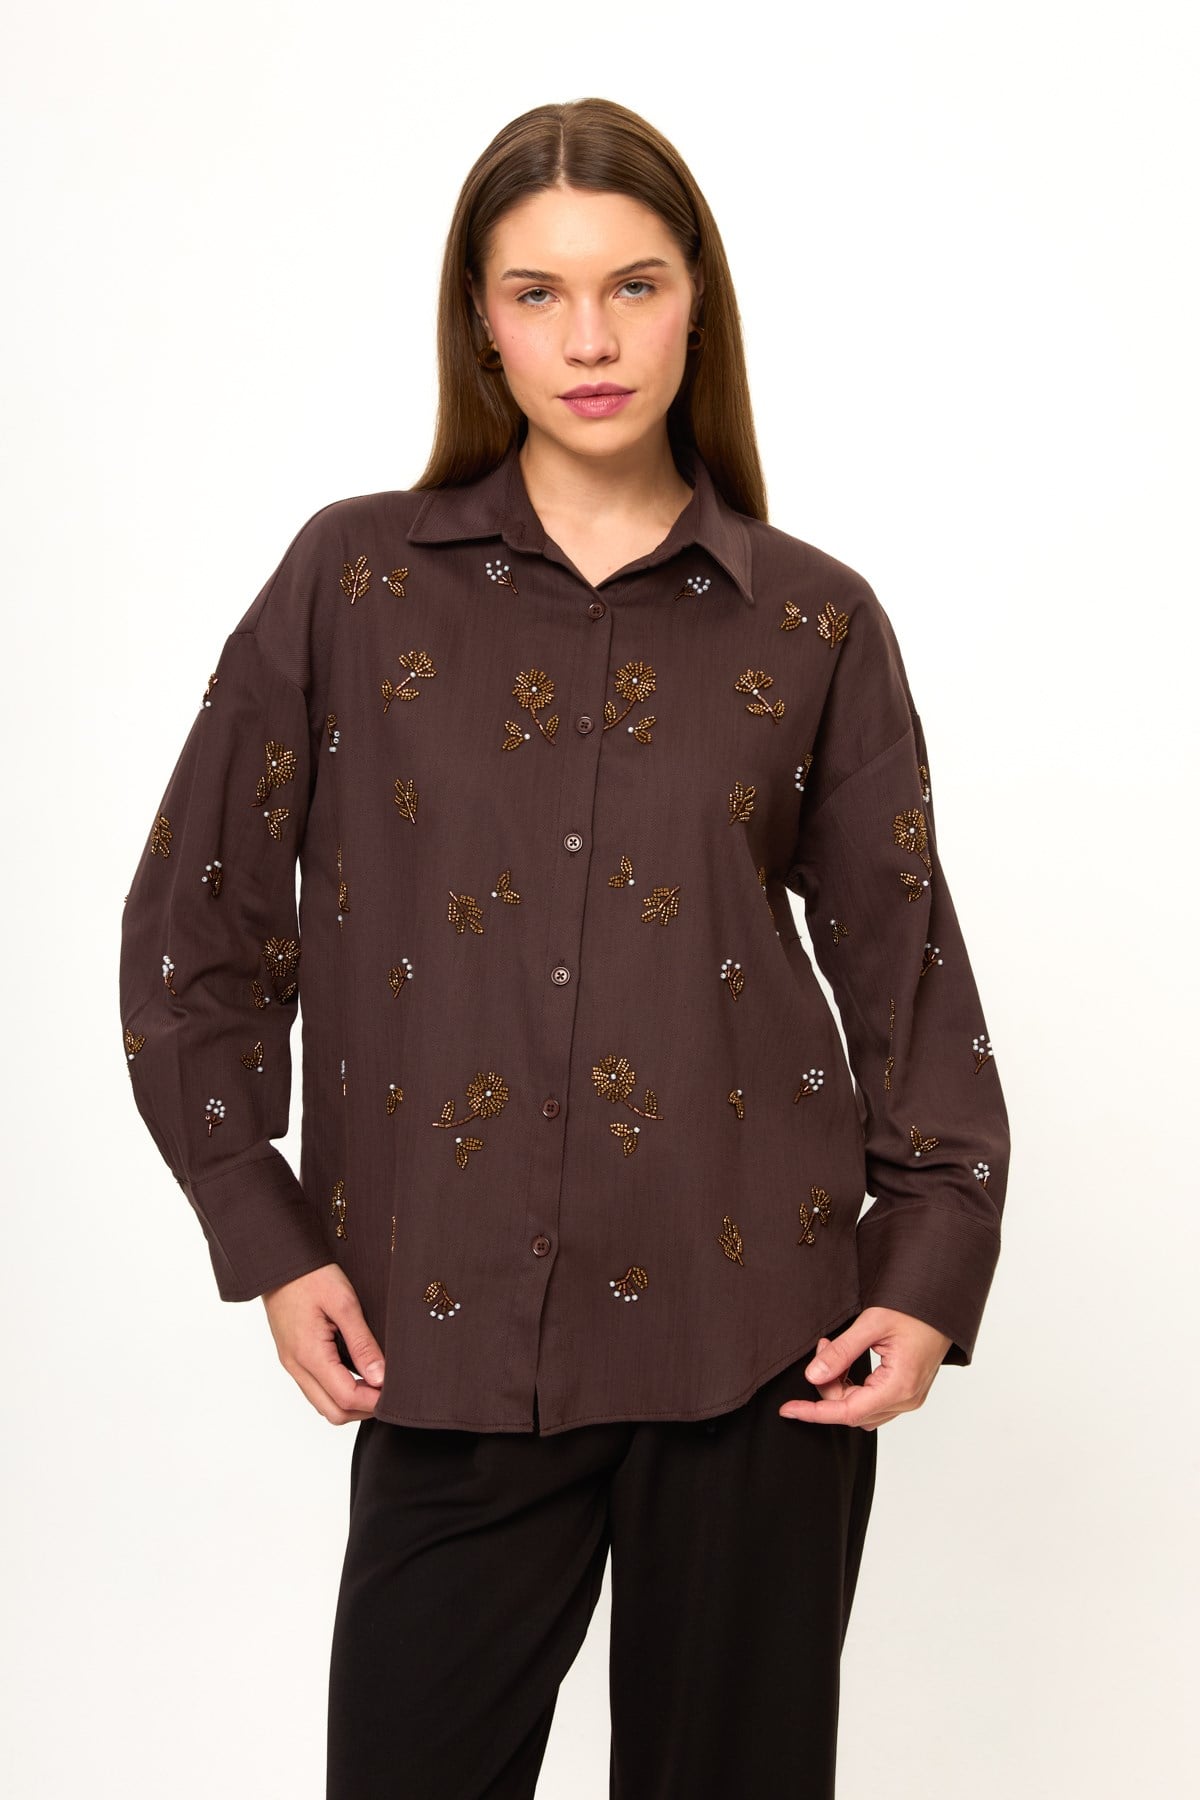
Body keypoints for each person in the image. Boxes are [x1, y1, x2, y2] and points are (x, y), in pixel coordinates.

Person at [119, 96, 1010, 1800]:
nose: (589, 340)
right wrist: (266, 1228)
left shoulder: (812, 619)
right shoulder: (354, 581)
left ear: (697, 306)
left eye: (633, 286)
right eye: (538, 292)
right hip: (442, 1328)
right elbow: (196, 924)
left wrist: (929, 1261)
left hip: (761, 1342)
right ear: (482, 320)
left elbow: (906, 970)